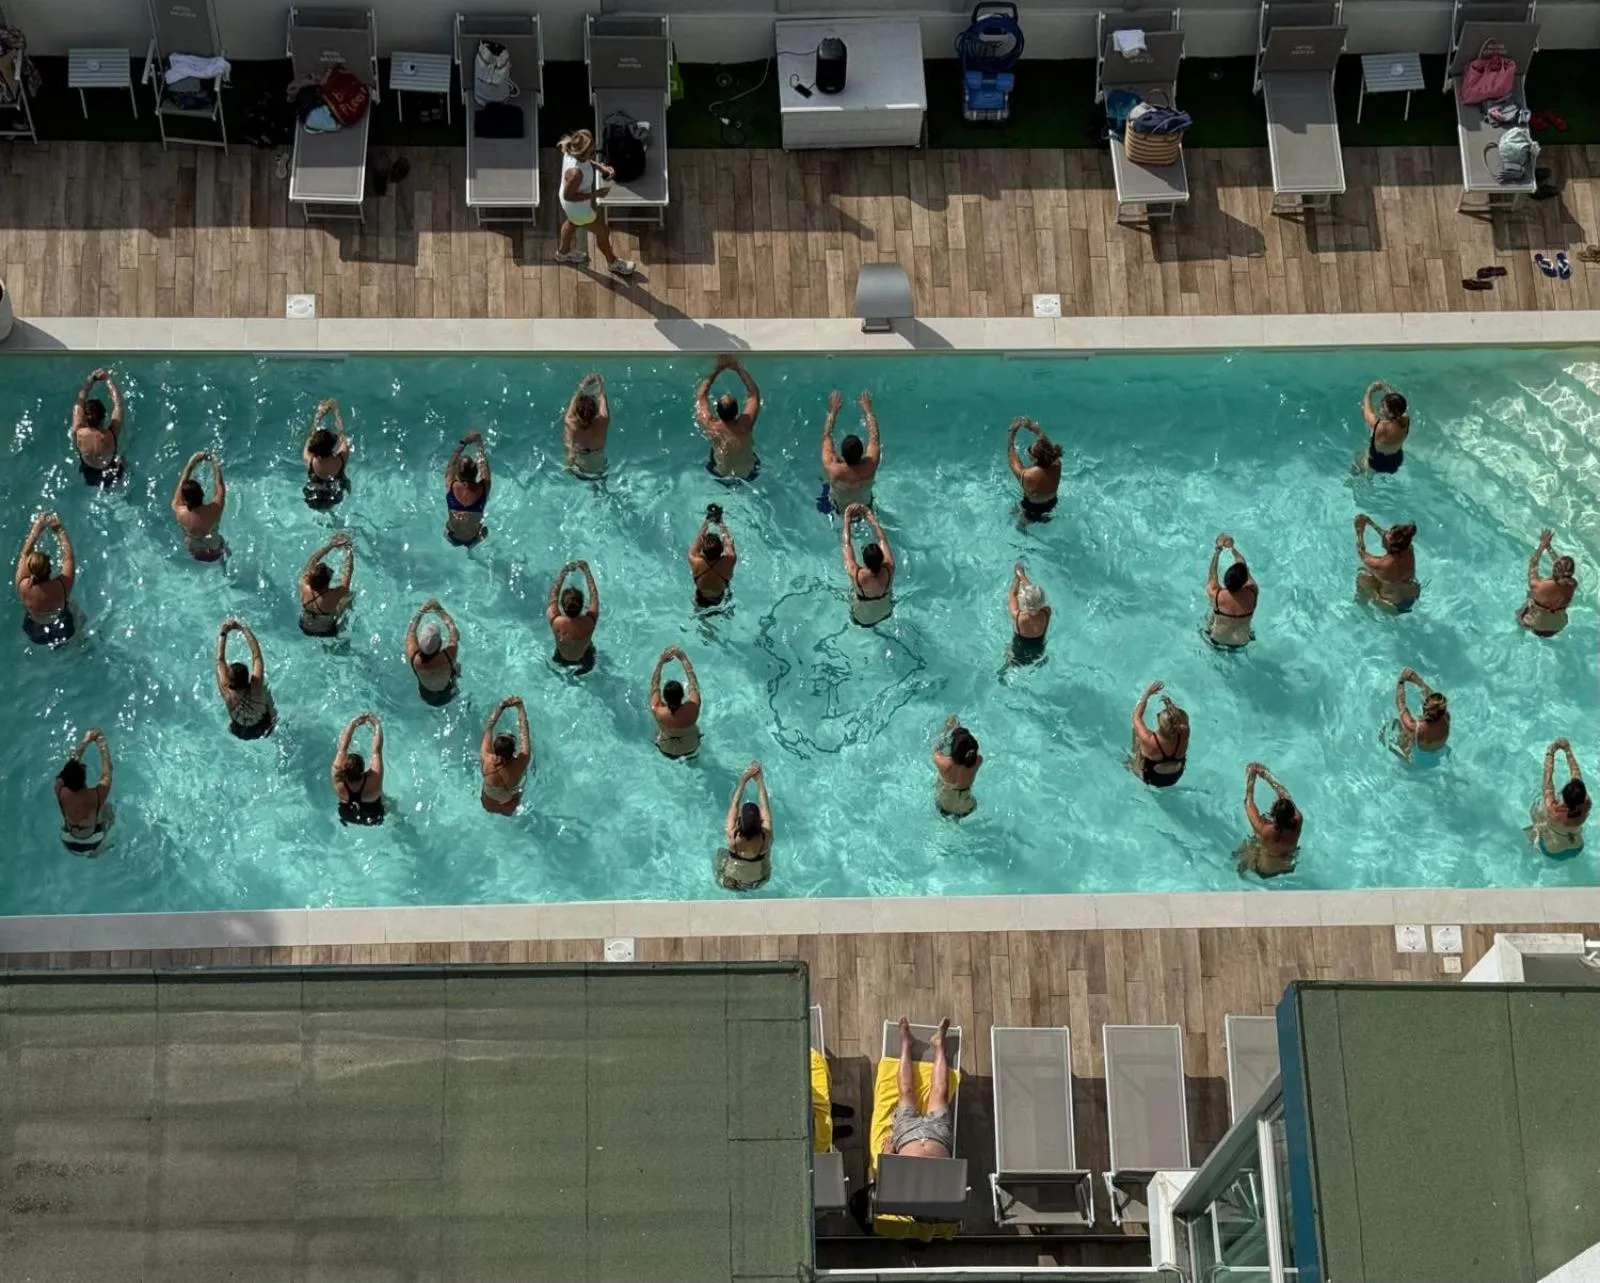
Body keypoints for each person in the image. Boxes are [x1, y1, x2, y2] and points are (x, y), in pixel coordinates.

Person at [552, 130, 636, 277]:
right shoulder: (575, 174)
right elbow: (569, 197)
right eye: (591, 153)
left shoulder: (571, 152)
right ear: (581, 153)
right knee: (603, 231)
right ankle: (613, 263)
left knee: (572, 223)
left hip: (574, 208)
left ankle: (563, 253)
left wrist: (600, 167)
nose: (594, 155)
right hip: (578, 208)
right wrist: (595, 194)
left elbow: (588, 161)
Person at [885, 1016, 954, 1159]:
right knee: (941, 1090)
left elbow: (886, 1176)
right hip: (938, 1135)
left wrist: (886, 1155)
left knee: (906, 1090)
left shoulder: (899, 1182)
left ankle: (906, 1043)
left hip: (906, 1134)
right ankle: (939, 1044)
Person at [695, 355, 762, 481]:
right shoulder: (745, 425)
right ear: (738, 412)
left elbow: (701, 396)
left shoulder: (711, 425)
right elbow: (754, 395)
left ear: (717, 411)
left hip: (719, 472)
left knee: (716, 450)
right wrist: (738, 368)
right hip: (749, 473)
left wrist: (716, 370)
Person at [15, 511, 77, 645]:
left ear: (29, 569)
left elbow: (25, 554)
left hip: (34, 630)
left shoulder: (23, 585)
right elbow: (68, 558)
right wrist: (59, 530)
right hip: (63, 626)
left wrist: (36, 528)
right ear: (49, 568)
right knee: (76, 611)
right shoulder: (61, 586)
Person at [820, 389, 881, 512]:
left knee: (824, 481)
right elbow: (874, 438)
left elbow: (826, 436)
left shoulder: (833, 469)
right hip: (865, 506)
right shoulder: (871, 464)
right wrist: (868, 410)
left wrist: (833, 411)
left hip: (838, 508)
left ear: (842, 454)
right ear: (863, 453)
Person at [1526, 738, 1589, 858]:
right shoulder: (1585, 804)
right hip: (1578, 847)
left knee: (1538, 808)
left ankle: (1534, 838)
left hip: (1554, 851)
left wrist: (1551, 752)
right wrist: (1568, 751)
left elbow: (1548, 777)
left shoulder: (1553, 809)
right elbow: (1576, 774)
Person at [716, 761, 773, 891]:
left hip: (730, 881)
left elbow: (734, 804)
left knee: (720, 852)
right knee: (767, 853)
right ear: (760, 821)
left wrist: (743, 781)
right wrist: (759, 781)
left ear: (740, 821)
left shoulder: (733, 835)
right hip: (757, 883)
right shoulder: (766, 836)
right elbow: (765, 806)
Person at [216, 617, 276, 739]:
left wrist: (223, 632)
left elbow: (220, 659)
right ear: (249, 678)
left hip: (239, 730)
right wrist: (244, 628)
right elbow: (257, 656)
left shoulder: (226, 692)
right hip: (264, 726)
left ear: (228, 681)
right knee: (265, 689)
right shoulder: (256, 686)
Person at [56, 727, 113, 855]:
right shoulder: (96, 796)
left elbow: (70, 764)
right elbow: (107, 771)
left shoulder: (59, 789)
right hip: (93, 841)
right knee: (109, 810)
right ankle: (96, 852)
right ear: (84, 779)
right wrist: (101, 743)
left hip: (67, 840)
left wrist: (85, 741)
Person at [1238, 762, 1301, 878]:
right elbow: (1285, 795)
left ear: (1274, 818)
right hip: (1288, 866)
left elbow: (1248, 802)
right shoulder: (1298, 821)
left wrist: (1252, 776)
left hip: (1263, 868)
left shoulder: (1265, 830)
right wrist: (1266, 774)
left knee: (1245, 848)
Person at [71, 367, 126, 486]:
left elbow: (79, 402)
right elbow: (118, 404)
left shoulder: (77, 431)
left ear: (84, 417)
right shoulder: (111, 434)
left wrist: (90, 380)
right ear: (104, 418)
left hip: (89, 474)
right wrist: (109, 380)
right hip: (113, 471)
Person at [842, 504, 895, 627]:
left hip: (862, 618)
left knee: (848, 592)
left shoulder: (856, 574)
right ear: (882, 558)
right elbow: (882, 540)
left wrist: (847, 519)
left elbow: (847, 545)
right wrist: (869, 515)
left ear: (864, 562)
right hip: (886, 611)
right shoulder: (889, 567)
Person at [1518, 528, 1578, 637]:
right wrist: (1549, 547)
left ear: (1554, 569)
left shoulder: (1537, 586)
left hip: (1537, 625)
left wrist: (1542, 545)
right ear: (1571, 573)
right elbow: (1561, 568)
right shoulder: (1573, 584)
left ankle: (1520, 630)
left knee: (1525, 605)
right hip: (1558, 626)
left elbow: (1533, 563)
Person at [1129, 680, 1188, 789]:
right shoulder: (1184, 732)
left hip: (1150, 779)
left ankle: (1131, 763)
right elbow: (1184, 716)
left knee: (1137, 736)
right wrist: (1172, 707)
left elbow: (1136, 717)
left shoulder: (1149, 740)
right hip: (1175, 777)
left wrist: (1147, 694)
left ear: (1157, 720)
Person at [1354, 514, 1419, 612]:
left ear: (1391, 545)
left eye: (1388, 534)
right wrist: (1370, 522)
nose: (1385, 533)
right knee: (1381, 576)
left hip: (1393, 605)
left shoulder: (1382, 564)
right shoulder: (1408, 548)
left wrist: (1359, 531)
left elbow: (1361, 552)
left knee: (1363, 577)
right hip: (1412, 593)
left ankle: (1360, 608)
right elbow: (1386, 536)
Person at [480, 696, 533, 816]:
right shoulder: (521, 762)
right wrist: (520, 707)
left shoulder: (486, 757)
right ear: (514, 750)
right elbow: (524, 733)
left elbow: (489, 725)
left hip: (487, 802)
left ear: (494, 748)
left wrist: (501, 706)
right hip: (509, 805)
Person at [171, 450, 227, 561]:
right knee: (222, 553)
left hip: (195, 551)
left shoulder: (179, 510)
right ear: (202, 494)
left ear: (185, 501)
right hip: (215, 547)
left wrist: (191, 463)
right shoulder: (214, 509)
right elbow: (220, 486)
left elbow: (181, 485)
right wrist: (215, 463)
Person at [547, 559, 600, 674]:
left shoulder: (556, 621)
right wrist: (587, 571)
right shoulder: (589, 621)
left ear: (561, 605)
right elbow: (594, 598)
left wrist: (564, 572)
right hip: (585, 658)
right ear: (582, 606)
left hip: (561, 657)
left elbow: (553, 596)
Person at [332, 711, 385, 826]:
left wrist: (352, 723)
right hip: (373, 816)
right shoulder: (373, 781)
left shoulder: (337, 778)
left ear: (343, 768)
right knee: (390, 803)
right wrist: (376, 724)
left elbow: (342, 748)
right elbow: (377, 751)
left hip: (347, 815)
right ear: (363, 771)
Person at [649, 645, 702, 758]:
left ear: (664, 697)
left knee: (657, 733)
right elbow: (693, 682)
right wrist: (682, 657)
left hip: (666, 749)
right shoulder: (693, 708)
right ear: (683, 695)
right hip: (691, 747)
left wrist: (660, 662)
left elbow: (654, 685)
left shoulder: (657, 709)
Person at [1006, 416, 1063, 522]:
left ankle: (1022, 527)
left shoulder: (1028, 475)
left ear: (1035, 458)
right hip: (1051, 503)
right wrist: (1033, 427)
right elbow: (1048, 446)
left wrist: (1011, 432)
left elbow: (1011, 456)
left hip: (1031, 508)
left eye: (1030, 450)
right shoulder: (1056, 464)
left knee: (1021, 521)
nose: (1028, 448)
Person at [1205, 533, 1257, 649]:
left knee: (1210, 614)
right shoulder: (1253, 592)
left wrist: (1218, 550)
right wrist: (1233, 548)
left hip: (1217, 639)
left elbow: (1212, 574)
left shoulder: (1216, 594)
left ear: (1225, 581)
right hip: (1242, 641)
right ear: (1245, 581)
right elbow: (1242, 565)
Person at [405, 598, 460, 706]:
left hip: (426, 694)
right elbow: (453, 630)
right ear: (440, 644)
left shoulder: (413, 657)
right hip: (448, 692)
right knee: (457, 667)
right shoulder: (448, 655)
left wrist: (421, 612)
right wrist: (439, 609)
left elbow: (411, 630)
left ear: (418, 642)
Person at [299, 531, 355, 636]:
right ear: (328, 582)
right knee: (349, 596)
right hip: (327, 630)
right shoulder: (333, 595)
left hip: (305, 626)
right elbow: (347, 574)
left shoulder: (304, 586)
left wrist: (330, 545)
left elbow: (313, 560)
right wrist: (349, 549)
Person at [1389, 667, 1448, 762]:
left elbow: (1401, 704)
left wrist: (1401, 681)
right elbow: (1435, 702)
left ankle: (1404, 760)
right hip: (1438, 755)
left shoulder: (1415, 728)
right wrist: (1416, 680)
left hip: (1418, 760)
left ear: (1425, 710)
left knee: (1395, 724)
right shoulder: (1445, 717)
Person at [443, 430, 491, 546]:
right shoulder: (484, 487)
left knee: (446, 528)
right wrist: (478, 443)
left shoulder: (451, 485)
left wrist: (463, 443)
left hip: (452, 536)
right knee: (484, 531)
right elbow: (484, 464)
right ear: (476, 472)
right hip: (474, 538)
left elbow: (451, 465)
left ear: (457, 473)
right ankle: (472, 546)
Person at [302, 398, 351, 509]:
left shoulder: (309, 460)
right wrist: (336, 412)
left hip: (314, 497)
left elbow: (310, 436)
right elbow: (343, 436)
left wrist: (318, 416)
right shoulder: (341, 459)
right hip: (335, 496)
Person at [688, 504, 737, 609]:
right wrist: (721, 523)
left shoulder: (694, 560)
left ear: (703, 552)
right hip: (720, 599)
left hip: (700, 599)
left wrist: (707, 520)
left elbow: (698, 539)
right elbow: (728, 541)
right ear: (721, 550)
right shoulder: (729, 560)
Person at [932, 716, 982, 817]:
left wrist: (947, 731)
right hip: (966, 806)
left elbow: (937, 748)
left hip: (944, 804)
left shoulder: (944, 763)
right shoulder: (978, 761)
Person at [563, 373, 611, 478]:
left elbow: (573, 402)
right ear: (595, 411)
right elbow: (602, 397)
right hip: (597, 465)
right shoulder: (603, 421)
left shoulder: (571, 423)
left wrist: (582, 386)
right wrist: (599, 382)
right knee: (599, 486)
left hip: (578, 464)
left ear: (577, 412)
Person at [1357, 380, 1409, 474]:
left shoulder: (1379, 425)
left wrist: (1369, 391)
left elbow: (1367, 411)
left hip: (1376, 465)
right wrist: (1386, 388)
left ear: (1390, 413)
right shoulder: (1405, 420)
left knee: (1359, 457)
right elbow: (1399, 405)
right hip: (1395, 462)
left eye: (1383, 406)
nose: (1380, 407)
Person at [1007, 562, 1051, 665]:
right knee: (1037, 660)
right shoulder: (1047, 612)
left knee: (1009, 662)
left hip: (1018, 651)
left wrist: (1019, 577)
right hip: (1039, 650)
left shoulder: (1018, 617)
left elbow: (1012, 595)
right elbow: (1035, 599)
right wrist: (1024, 577)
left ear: (1025, 604)